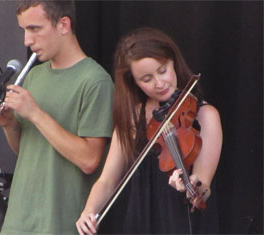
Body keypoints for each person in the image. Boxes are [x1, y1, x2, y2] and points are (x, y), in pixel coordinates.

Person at [76, 27, 223, 234]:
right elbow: (107, 180)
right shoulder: (132, 117)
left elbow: (203, 185)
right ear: (134, 82)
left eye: (162, 70)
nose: (159, 83)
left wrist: (191, 187)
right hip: (141, 223)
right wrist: (89, 212)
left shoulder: (204, 115)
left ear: (173, 62)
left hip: (184, 225)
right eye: (147, 79)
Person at [0, 0, 114, 234]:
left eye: (35, 29)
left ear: (63, 25)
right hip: (19, 221)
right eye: (24, 30)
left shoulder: (95, 80)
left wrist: (35, 114)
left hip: (59, 223)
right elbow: (28, 152)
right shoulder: (34, 76)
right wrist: (10, 124)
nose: (27, 40)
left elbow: (89, 160)